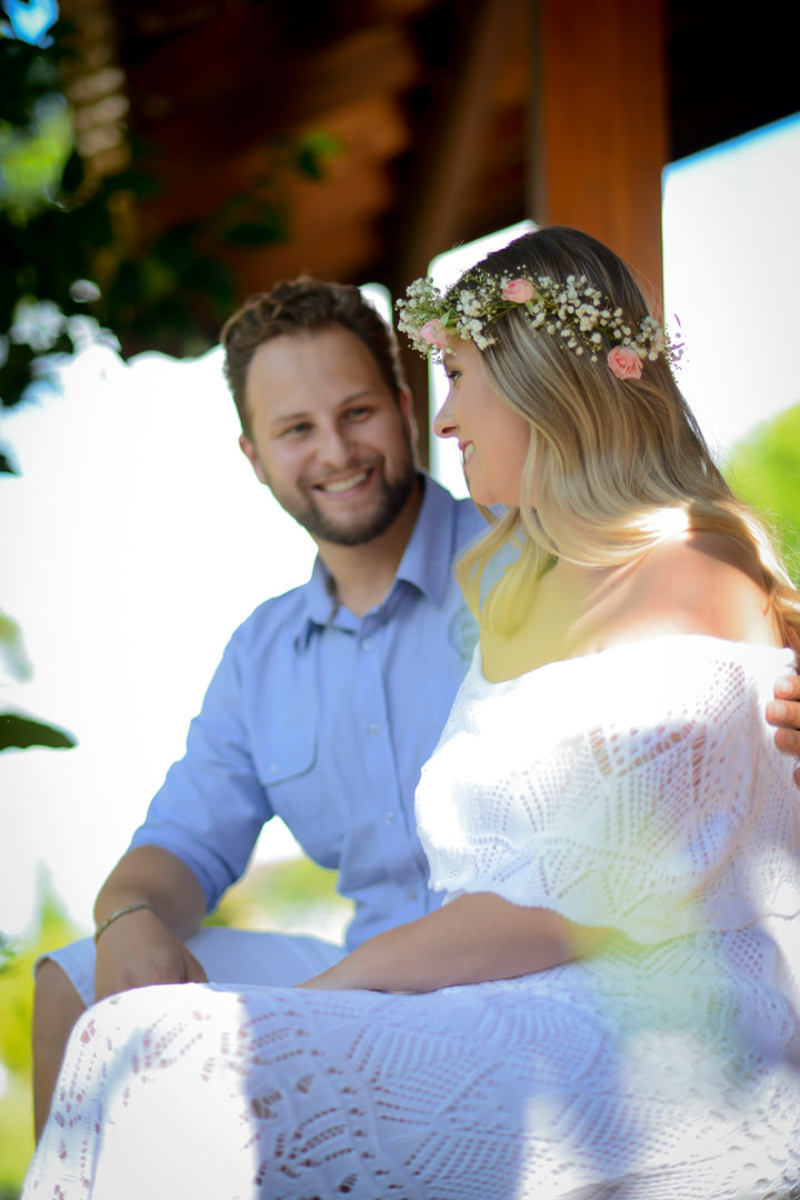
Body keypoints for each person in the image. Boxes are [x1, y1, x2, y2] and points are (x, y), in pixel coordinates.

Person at [26, 225, 800, 1198]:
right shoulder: (265, 654)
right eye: (295, 429)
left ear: (407, 403)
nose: (337, 450)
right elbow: (179, 841)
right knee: (86, 986)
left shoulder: (549, 549)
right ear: (253, 453)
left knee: (169, 1059)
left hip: (538, 980)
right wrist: (126, 917)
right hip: (398, 956)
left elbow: (667, 803)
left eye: (359, 410)